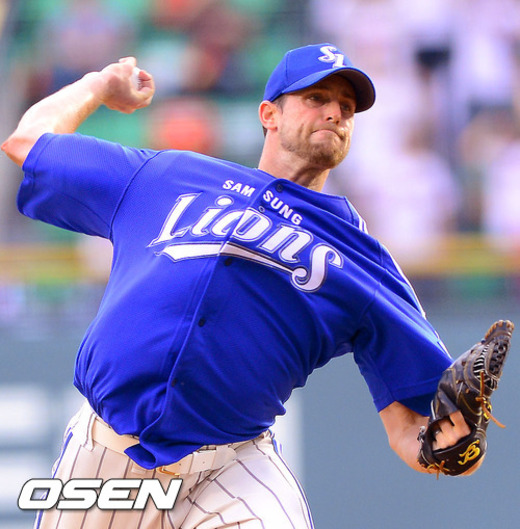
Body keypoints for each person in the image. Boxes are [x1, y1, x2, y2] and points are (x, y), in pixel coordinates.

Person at [2, 43, 475, 529]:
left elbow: (409, 428)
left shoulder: (359, 256)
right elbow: (29, 141)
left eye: (347, 107)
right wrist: (100, 84)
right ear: (269, 114)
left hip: (233, 467)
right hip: (106, 453)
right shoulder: (169, 175)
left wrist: (440, 447)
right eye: (316, 98)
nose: (335, 113)